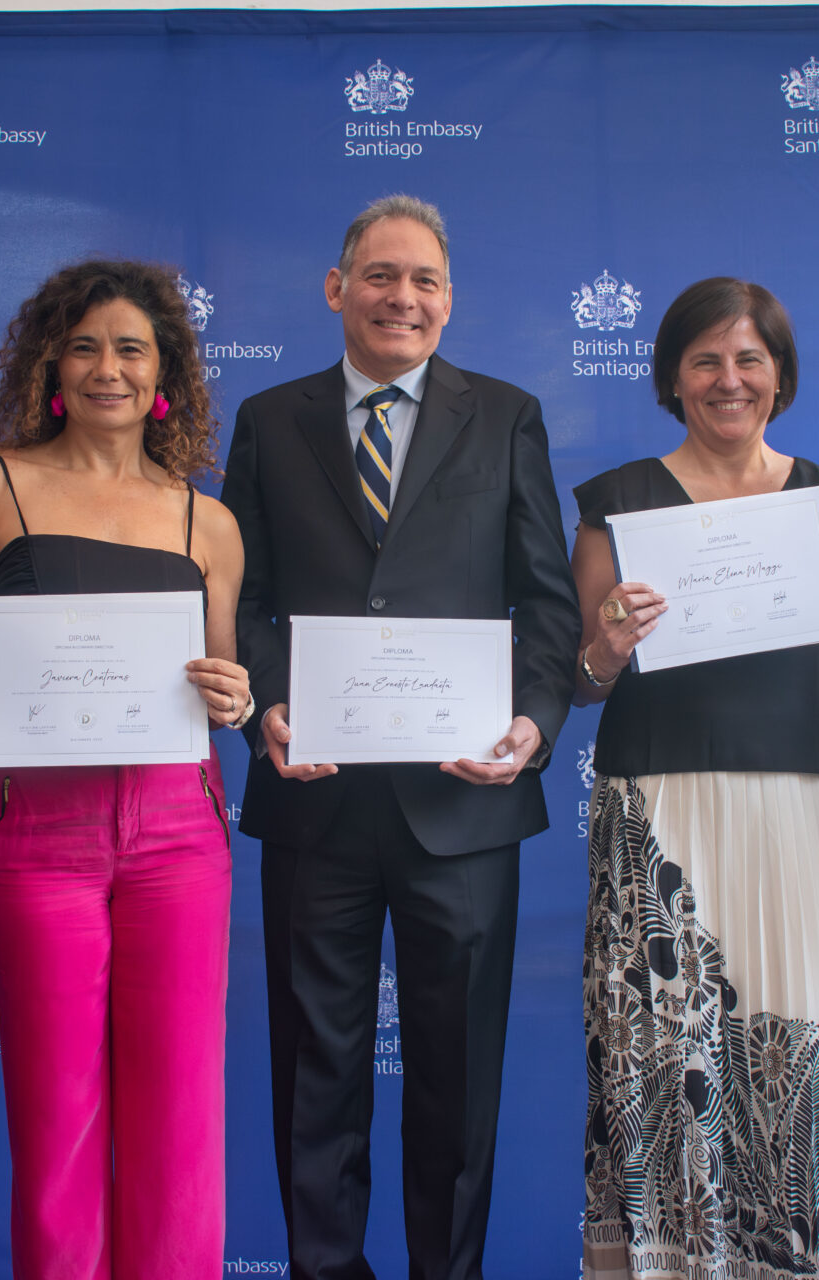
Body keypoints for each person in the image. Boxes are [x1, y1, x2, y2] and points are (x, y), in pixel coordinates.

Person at [220, 194, 582, 1280]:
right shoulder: (269, 418)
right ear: (337, 288)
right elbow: (243, 598)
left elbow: (548, 601)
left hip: (464, 801)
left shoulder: (507, 415)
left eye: (425, 280)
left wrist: (533, 721)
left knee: (458, 1080)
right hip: (314, 795)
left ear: (450, 300)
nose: (402, 298)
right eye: (380, 275)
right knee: (313, 1075)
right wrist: (266, 704)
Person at [0, 259, 251, 1280]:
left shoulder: (209, 521)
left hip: (180, 834)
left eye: (131, 349)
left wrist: (233, 695)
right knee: (56, 1114)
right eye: (85, 346)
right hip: (36, 833)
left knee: (182, 1120)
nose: (108, 368)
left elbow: (220, 674)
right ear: (51, 367)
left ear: (164, 376)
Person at [571, 278, 819, 1280]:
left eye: (749, 359)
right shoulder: (618, 502)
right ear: (672, 376)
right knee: (667, 1056)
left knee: (805, 1040)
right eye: (705, 360)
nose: (729, 379)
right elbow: (585, 676)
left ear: (780, 375)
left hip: (799, 807)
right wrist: (609, 645)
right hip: (660, 810)